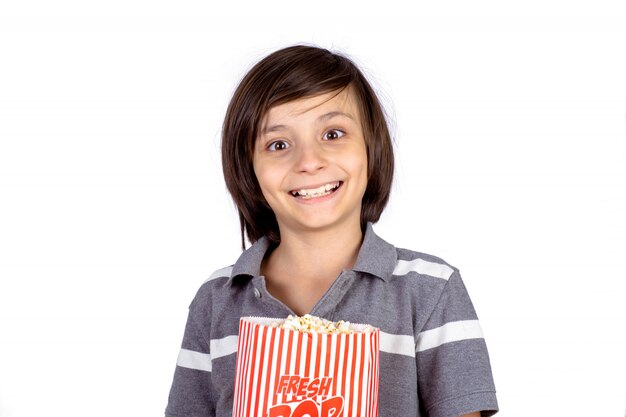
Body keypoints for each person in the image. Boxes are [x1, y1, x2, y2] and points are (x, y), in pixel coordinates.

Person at [165, 45, 498, 417]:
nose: (309, 161)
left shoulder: (430, 289)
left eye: (333, 134)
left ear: (371, 148)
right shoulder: (216, 300)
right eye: (278, 144)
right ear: (249, 169)